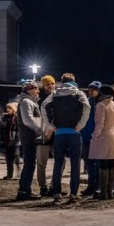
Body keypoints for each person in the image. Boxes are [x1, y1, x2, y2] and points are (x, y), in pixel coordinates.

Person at [42, 72, 90, 203]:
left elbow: (44, 106)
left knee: (58, 164)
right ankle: (73, 193)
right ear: (74, 81)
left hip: (59, 133)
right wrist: (81, 125)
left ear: (62, 82)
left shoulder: (55, 94)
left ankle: (56, 193)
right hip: (74, 133)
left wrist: (50, 125)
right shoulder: (79, 93)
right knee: (75, 164)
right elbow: (87, 107)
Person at [88, 83, 114, 200]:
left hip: (104, 136)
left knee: (103, 164)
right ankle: (110, 191)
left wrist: (94, 136)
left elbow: (99, 124)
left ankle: (103, 193)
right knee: (112, 164)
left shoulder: (101, 105)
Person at [15, 82, 44, 201]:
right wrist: (40, 129)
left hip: (29, 136)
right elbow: (28, 120)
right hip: (29, 136)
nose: (38, 91)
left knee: (29, 163)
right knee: (30, 164)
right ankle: (25, 190)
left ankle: (24, 189)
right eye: (36, 89)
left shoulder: (29, 101)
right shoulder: (26, 102)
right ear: (29, 90)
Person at [35, 75, 56, 196]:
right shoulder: (40, 99)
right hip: (44, 134)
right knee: (41, 162)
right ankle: (43, 187)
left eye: (52, 84)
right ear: (44, 86)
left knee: (61, 162)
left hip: (55, 134)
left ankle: (54, 186)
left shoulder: (57, 96)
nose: (51, 86)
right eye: (48, 84)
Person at [81, 81, 101, 195]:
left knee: (97, 163)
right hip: (85, 137)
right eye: (90, 89)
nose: (91, 91)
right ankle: (91, 185)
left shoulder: (100, 104)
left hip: (96, 137)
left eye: (94, 89)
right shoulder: (87, 102)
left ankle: (97, 185)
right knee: (88, 163)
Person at [1, 102, 20, 179]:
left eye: (10, 108)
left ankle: (19, 173)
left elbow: (18, 129)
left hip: (15, 140)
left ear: (14, 109)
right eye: (7, 108)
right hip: (7, 140)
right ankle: (9, 174)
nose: (8, 109)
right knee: (9, 159)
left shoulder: (17, 118)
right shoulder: (5, 117)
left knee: (16, 157)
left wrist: (17, 138)